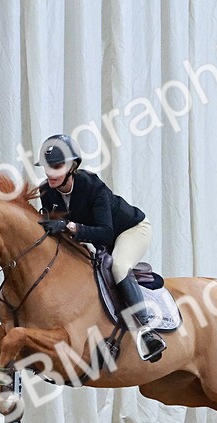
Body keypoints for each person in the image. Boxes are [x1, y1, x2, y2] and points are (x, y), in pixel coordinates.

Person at [35, 134, 165, 362]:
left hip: (129, 230)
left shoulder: (92, 187)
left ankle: (146, 330)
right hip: (93, 238)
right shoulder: (46, 192)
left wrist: (69, 226)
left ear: (73, 166)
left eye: (57, 166)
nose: (50, 173)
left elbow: (105, 232)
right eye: (47, 167)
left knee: (119, 266)